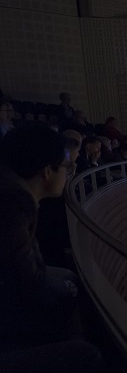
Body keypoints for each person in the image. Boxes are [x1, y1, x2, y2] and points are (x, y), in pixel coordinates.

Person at [0, 127, 82, 345]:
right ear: (47, 171)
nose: (69, 173)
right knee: (87, 356)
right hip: (9, 320)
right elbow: (26, 281)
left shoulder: (12, 191)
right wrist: (69, 289)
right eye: (67, 167)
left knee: (68, 277)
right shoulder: (14, 201)